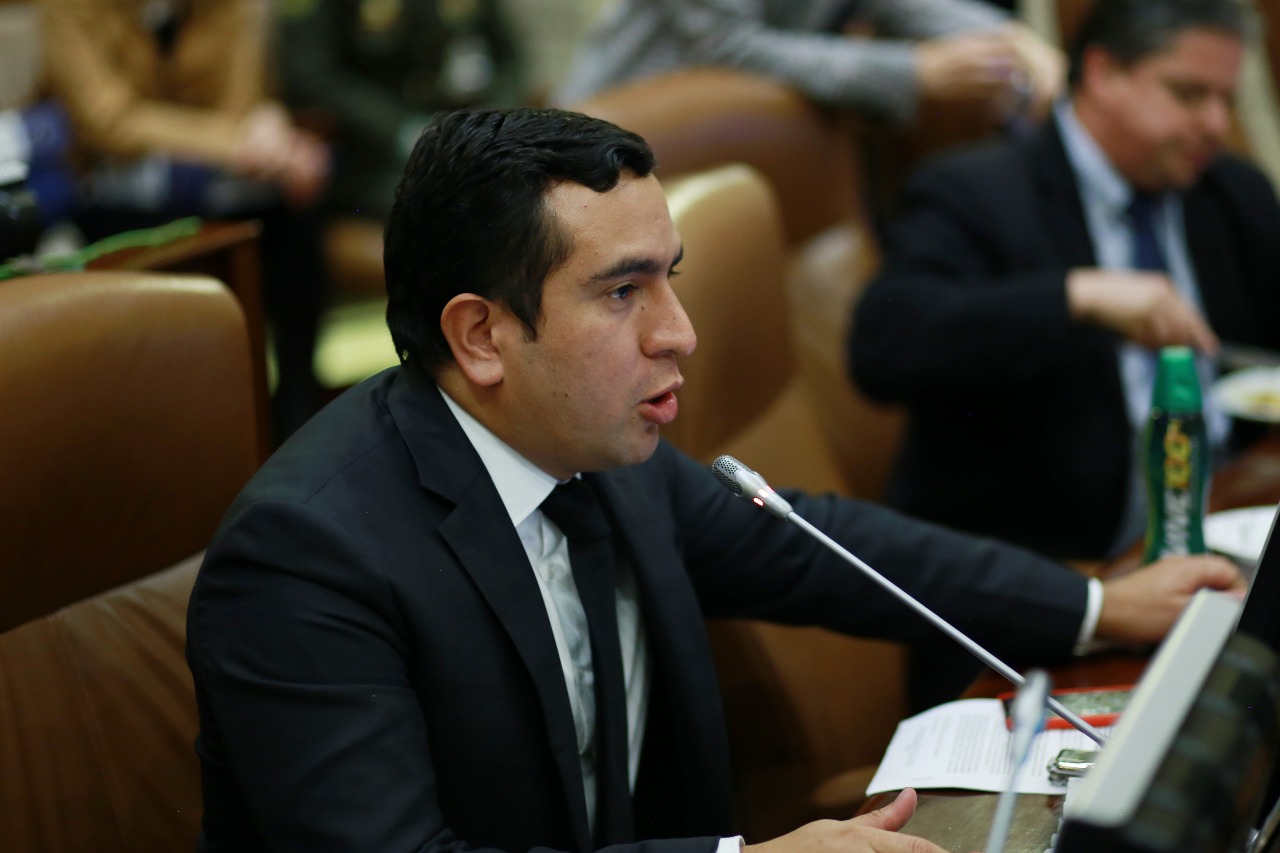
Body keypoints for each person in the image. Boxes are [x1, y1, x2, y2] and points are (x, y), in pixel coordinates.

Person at [186, 106, 1243, 852]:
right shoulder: (307, 555)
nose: (679, 333)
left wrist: (1097, 603)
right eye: (623, 292)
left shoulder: (597, 449)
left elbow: (827, 548)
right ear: (480, 336)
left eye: (671, 279)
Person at [849, 0, 1280, 562]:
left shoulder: (1227, 190)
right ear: (1102, 73)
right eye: (1188, 94)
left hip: (1226, 516)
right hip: (1057, 561)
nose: (1217, 125)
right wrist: (1074, 297)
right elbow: (884, 344)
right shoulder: (975, 192)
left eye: (1226, 100)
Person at [39, 0, 332, 440]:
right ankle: (178, 434)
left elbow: (242, 101)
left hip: (217, 184)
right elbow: (107, 122)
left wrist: (263, 132)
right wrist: (235, 141)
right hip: (107, 190)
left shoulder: (232, 7)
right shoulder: (68, 8)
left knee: (292, 221)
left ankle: (293, 418)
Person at [554, 0, 1064, 128]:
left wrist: (1013, 39)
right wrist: (909, 71)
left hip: (755, 128)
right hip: (627, 119)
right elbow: (726, 46)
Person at [274, 0, 525, 222]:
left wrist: (489, 122)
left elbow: (509, 57)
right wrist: (398, 127)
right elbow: (309, 75)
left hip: (452, 137)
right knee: (454, 210)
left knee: (516, 200)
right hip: (366, 151)